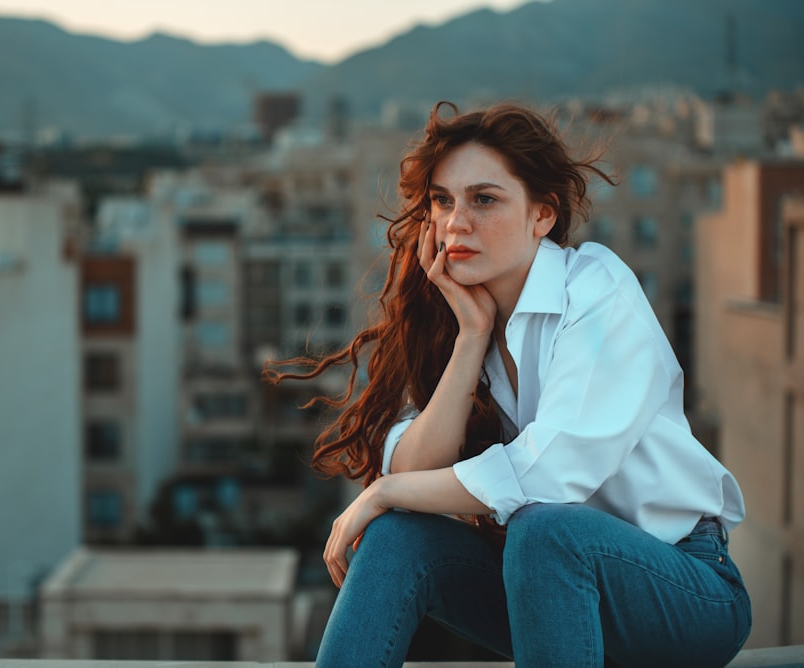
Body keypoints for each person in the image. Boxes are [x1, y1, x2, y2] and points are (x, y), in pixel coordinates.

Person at [265, 101, 751, 667]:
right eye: (442, 201)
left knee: (543, 528)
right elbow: (414, 474)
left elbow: (551, 474)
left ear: (541, 216)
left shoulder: (596, 291)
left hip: (684, 590)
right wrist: (472, 338)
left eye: (484, 199)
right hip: (551, 597)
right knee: (398, 538)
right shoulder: (456, 316)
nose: (456, 223)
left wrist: (381, 492)